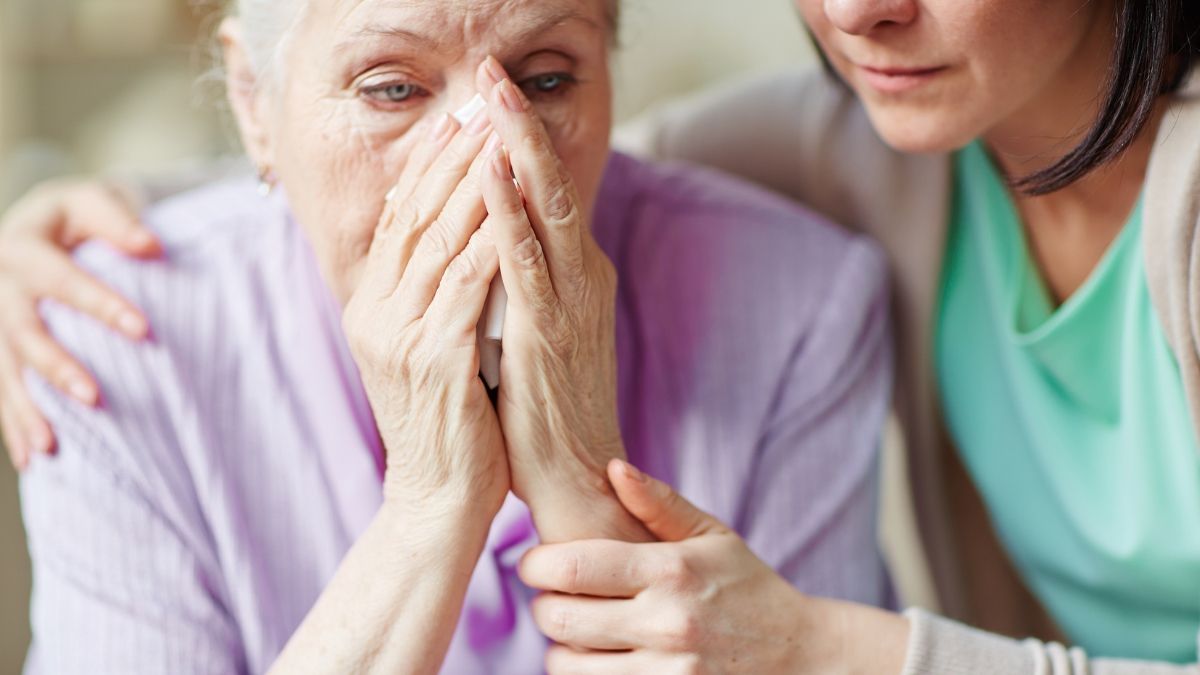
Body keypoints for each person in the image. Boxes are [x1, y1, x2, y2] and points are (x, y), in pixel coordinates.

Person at [7, 0, 1200, 672]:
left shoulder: (797, 279)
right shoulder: (107, 337)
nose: (491, 163)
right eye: (390, 90)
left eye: (546, 80)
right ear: (254, 109)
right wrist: (61, 218)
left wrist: (588, 485)